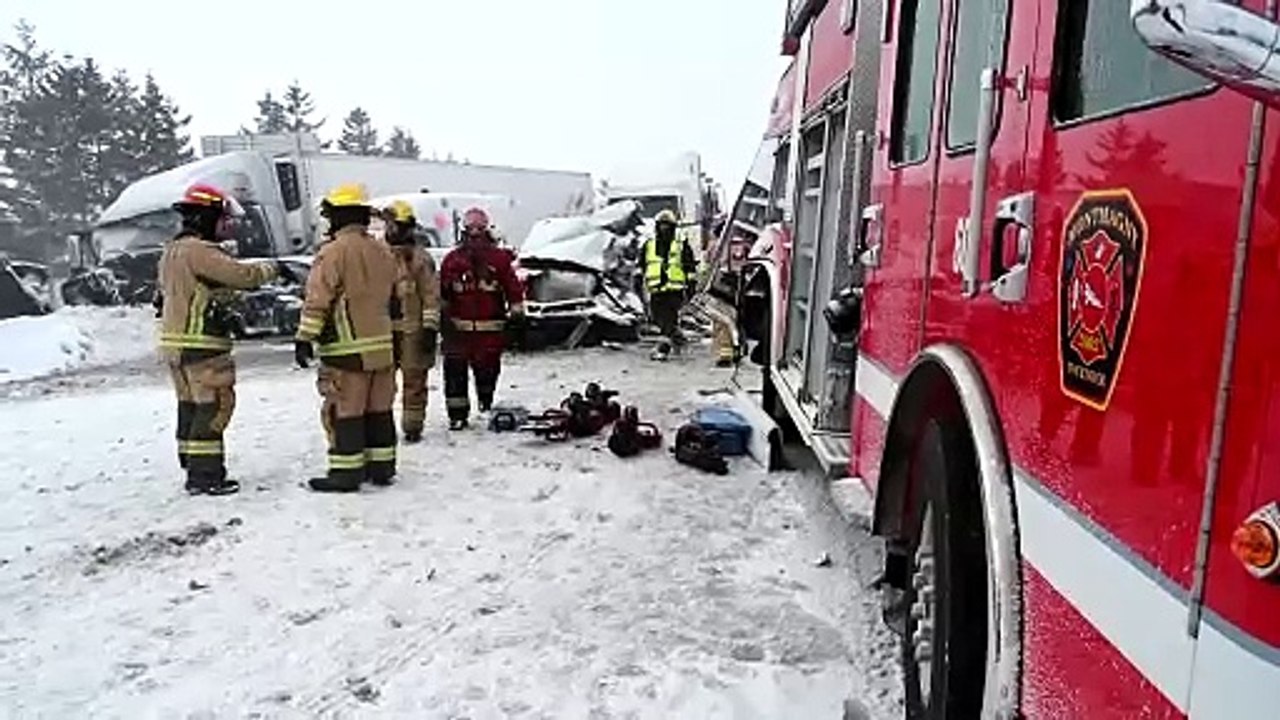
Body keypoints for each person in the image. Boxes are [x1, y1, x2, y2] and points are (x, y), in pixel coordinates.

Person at [157, 183, 278, 496]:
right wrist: (272, 268)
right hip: (202, 344)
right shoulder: (200, 251)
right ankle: (206, 475)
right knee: (214, 407)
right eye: (222, 218)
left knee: (191, 407)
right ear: (206, 217)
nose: (227, 225)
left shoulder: (171, 251)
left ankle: (191, 462)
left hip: (177, 345)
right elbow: (244, 276)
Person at [294, 184, 400, 493]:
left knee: (346, 411)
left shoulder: (333, 252)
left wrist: (305, 337)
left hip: (346, 350)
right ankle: (381, 468)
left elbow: (318, 299)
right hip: (382, 348)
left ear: (338, 216)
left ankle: (345, 473)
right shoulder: (382, 251)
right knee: (379, 410)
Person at [438, 206, 525, 430]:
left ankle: (485, 405)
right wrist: (442, 319)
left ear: (486, 229)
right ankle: (457, 416)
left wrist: (517, 317)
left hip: (490, 331)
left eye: (479, 228)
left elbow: (513, 289)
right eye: (471, 229)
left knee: (487, 373)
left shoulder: (499, 259)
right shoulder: (452, 260)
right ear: (464, 230)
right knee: (455, 376)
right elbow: (443, 292)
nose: (475, 233)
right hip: (459, 331)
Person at [383, 200, 441, 442]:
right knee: (381, 383)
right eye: (387, 224)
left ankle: (412, 426)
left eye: (393, 224)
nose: (389, 229)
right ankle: (381, 425)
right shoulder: (378, 255)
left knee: (414, 380)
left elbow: (431, 296)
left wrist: (429, 328)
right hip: (382, 330)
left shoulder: (420, 259)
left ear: (406, 226)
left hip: (412, 330)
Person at [643, 209, 698, 361]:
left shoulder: (681, 243)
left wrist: (691, 285)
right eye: (662, 225)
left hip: (675, 289)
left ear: (673, 226)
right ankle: (678, 340)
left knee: (668, 319)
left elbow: (689, 265)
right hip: (656, 289)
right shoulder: (650, 244)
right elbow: (642, 265)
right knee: (659, 318)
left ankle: (664, 349)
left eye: (667, 225)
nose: (664, 228)